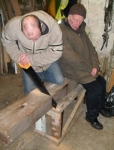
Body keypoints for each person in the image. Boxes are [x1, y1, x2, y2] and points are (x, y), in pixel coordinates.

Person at [59, 3, 112, 130]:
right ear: (69, 16)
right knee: (95, 89)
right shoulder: (61, 32)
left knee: (102, 83)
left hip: (86, 67)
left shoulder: (80, 29)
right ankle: (91, 116)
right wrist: (90, 68)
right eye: (75, 20)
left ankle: (100, 107)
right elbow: (70, 57)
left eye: (80, 21)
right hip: (72, 69)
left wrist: (95, 65)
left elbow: (91, 49)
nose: (77, 24)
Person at [1, 10, 64, 95]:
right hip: (27, 64)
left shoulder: (53, 28)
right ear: (21, 27)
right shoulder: (13, 26)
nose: (34, 40)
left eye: (37, 37)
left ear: (41, 25)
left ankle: (39, 77)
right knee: (29, 92)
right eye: (29, 38)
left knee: (59, 80)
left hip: (46, 61)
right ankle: (36, 78)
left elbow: (57, 51)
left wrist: (30, 59)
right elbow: (6, 41)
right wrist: (18, 56)